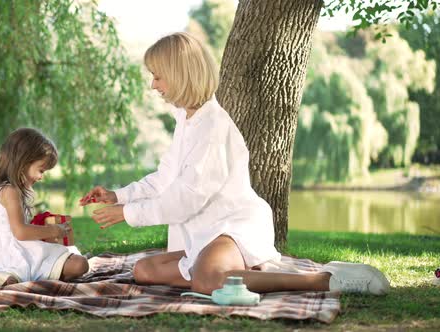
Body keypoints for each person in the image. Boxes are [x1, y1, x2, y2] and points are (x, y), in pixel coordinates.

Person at [79, 32, 390, 296]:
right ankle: (229, 270)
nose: (153, 85)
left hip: (232, 226)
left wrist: (129, 214)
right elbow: (165, 178)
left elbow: (187, 198)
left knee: (207, 280)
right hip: (205, 234)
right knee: (144, 270)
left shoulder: (213, 127)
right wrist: (118, 197)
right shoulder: (186, 120)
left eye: (158, 76)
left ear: (178, 74)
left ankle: (325, 280)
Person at [0, 128, 88, 287]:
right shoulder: (10, 191)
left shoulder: (8, 189)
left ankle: (7, 278)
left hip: (9, 250)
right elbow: (20, 232)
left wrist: (41, 227)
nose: (41, 177)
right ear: (23, 162)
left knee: (78, 264)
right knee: (80, 264)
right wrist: (55, 230)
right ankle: (0, 276)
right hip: (6, 252)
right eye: (41, 170)